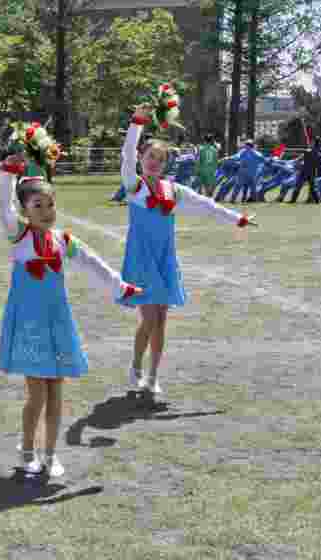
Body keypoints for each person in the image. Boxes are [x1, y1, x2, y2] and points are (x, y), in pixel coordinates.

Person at [0, 153, 143, 478]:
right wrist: (8, 173)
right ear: (24, 210)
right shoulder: (18, 237)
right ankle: (26, 450)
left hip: (57, 323)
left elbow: (94, 263)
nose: (46, 212)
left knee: (56, 392)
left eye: (49, 205)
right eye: (37, 206)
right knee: (36, 394)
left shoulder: (63, 240)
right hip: (29, 325)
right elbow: (3, 206)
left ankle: (50, 453)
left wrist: (121, 287)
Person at [120, 104, 258, 395]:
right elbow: (126, 153)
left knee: (162, 321)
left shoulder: (174, 190)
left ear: (167, 163)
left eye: (160, 158)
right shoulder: (134, 186)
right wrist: (137, 122)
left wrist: (238, 219)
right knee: (149, 318)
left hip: (165, 259)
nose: (154, 162)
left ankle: (154, 376)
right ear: (142, 159)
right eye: (150, 157)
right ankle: (135, 365)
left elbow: (206, 205)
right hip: (142, 259)